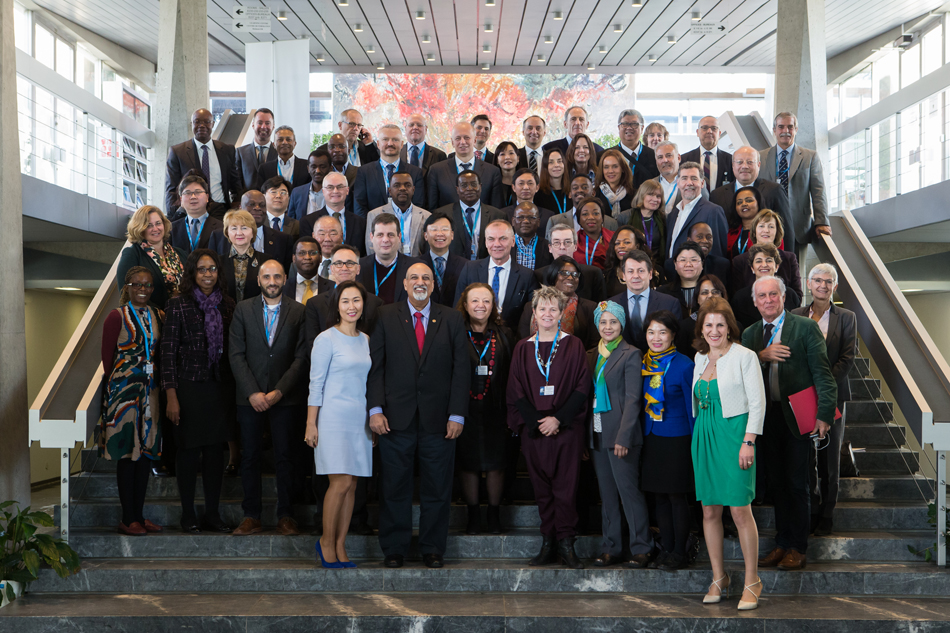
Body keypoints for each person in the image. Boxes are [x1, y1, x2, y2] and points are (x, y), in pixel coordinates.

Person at [369, 262, 470, 569]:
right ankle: (394, 548)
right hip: (394, 420)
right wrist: (375, 409)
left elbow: (461, 369)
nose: (420, 281)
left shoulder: (452, 318)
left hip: (440, 421)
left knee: (437, 488)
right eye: (414, 277)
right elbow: (376, 366)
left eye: (426, 277)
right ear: (405, 284)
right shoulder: (385, 315)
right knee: (394, 487)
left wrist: (457, 414)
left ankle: (433, 548)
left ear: (433, 284)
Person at [743, 276, 837, 572]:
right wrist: (761, 355)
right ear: (754, 302)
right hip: (764, 419)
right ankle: (782, 543)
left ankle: (797, 547)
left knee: (797, 483)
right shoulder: (750, 334)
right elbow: (739, 374)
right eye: (762, 296)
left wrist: (824, 414)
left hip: (798, 418)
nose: (768, 300)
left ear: (784, 298)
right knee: (777, 484)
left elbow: (823, 374)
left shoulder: (805, 327)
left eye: (773, 294)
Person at [507, 286, 592, 569]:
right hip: (535, 430)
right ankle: (548, 543)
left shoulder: (573, 345)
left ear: (561, 313)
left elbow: (582, 387)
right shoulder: (523, 348)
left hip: (566, 428)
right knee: (542, 489)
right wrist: (536, 422)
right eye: (542, 308)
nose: (547, 313)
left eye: (553, 309)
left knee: (566, 488)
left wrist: (558, 419)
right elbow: (516, 390)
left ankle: (566, 543)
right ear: (534, 313)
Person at [692, 297, 765, 609]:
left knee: (739, 510)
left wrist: (749, 441)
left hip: (735, 436)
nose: (714, 330)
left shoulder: (745, 356)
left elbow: (757, 402)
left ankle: (752, 580)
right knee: (709, 510)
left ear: (729, 327)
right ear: (702, 328)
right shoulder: (699, 357)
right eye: (708, 324)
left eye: (720, 324)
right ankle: (718, 577)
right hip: (704, 436)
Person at [230, 260, 308, 536]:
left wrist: (279, 391)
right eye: (266, 277)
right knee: (250, 456)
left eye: (277, 276)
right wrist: (253, 391)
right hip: (249, 398)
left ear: (285, 278)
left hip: (285, 398)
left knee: (285, 456)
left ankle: (286, 515)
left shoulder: (299, 311)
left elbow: (301, 357)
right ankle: (251, 515)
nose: (272, 281)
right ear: (259, 280)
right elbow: (236, 354)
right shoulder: (243, 309)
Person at [161, 249, 235, 534]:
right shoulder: (177, 304)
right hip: (187, 388)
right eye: (202, 269)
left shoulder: (227, 304)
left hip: (219, 387)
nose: (207, 274)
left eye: (212, 269)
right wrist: (171, 395)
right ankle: (188, 513)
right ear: (192, 272)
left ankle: (213, 514)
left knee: (215, 454)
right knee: (189, 452)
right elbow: (167, 353)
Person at [306, 280, 373, 568]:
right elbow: (316, 384)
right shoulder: (326, 339)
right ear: (337, 306)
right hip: (332, 418)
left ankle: (340, 544)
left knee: (352, 485)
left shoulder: (366, 339)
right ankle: (325, 541)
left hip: (360, 419)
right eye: (345, 301)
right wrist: (311, 423)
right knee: (340, 482)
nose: (351, 306)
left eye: (356, 300)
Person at [586, 300, 652, 568]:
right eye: (603, 322)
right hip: (598, 432)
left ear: (622, 324)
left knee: (628, 493)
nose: (608, 327)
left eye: (613, 321)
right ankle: (611, 548)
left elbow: (634, 400)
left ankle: (642, 547)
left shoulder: (631, 354)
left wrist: (624, 437)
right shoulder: (592, 354)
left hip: (621, 436)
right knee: (608, 495)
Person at [792, 264, 857, 536]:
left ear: (835, 286)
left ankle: (827, 515)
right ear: (809, 284)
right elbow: (792, 354)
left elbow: (848, 357)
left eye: (828, 281)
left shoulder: (847, 317)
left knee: (829, 458)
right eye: (817, 280)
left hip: (833, 395)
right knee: (807, 457)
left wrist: (824, 385)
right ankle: (811, 510)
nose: (822, 285)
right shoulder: (795, 315)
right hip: (803, 395)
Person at [100, 266, 163, 535]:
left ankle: (139, 515)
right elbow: (107, 360)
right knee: (127, 453)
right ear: (127, 287)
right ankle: (128, 518)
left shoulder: (158, 314)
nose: (143, 289)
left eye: (148, 285)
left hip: (151, 392)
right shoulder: (116, 316)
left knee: (146, 453)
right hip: (124, 394)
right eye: (137, 284)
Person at [638, 310, 696, 570]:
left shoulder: (684, 364)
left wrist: (695, 443)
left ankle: (680, 552)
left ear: (673, 335)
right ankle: (667, 549)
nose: (656, 338)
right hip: (651, 436)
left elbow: (692, 409)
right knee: (659, 496)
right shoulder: (645, 363)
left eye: (662, 332)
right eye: (651, 332)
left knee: (676, 497)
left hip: (677, 438)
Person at [456, 283, 515, 535]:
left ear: (493, 306)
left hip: (496, 409)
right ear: (465, 305)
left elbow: (512, 372)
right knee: (468, 463)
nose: (480, 305)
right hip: (465, 410)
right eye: (475, 301)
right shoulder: (455, 332)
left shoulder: (504, 334)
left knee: (496, 463)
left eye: (486, 301)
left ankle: (493, 515)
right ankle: (473, 516)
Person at [759, 112, 832, 258]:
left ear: (796, 129)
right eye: (781, 127)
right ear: (774, 130)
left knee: (796, 269)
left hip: (798, 225)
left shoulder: (810, 157)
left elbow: (818, 191)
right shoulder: (760, 156)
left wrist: (821, 221)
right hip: (766, 224)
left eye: (790, 127)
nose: (785, 131)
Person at [454, 219, 538, 326]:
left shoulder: (527, 275)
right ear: (486, 242)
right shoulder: (469, 269)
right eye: (491, 239)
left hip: (511, 334)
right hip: (473, 332)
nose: (497, 244)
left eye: (503, 238)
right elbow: (458, 309)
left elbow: (531, 316)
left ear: (513, 241)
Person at [710, 146, 794, 252]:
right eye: (739, 162)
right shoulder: (717, 195)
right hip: (727, 257)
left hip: (766, 257)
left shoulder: (774, 190)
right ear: (733, 165)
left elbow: (786, 229)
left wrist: (788, 259)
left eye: (750, 162)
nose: (745, 166)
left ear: (758, 165)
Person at [165, 109, 244, 221]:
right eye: (197, 121)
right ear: (191, 124)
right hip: (191, 211)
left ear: (213, 124)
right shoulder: (178, 152)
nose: (202, 125)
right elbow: (171, 189)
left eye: (207, 122)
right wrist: (174, 216)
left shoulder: (227, 150)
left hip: (220, 210)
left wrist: (236, 204)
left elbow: (235, 183)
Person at [305, 244, 383, 348]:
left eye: (350, 263)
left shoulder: (375, 303)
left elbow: (377, 345)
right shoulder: (315, 304)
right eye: (338, 263)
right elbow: (312, 346)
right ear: (332, 269)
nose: (344, 268)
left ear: (358, 269)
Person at [610, 251, 682, 352]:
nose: (636, 276)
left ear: (650, 274)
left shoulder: (670, 303)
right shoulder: (611, 304)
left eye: (641, 271)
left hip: (660, 360)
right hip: (622, 360)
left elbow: (677, 342)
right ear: (624, 275)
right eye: (630, 271)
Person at [520, 256, 598, 348]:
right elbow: (522, 341)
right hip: (534, 355)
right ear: (553, 275)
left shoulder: (590, 308)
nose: (570, 277)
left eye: (575, 274)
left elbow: (594, 345)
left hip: (576, 356)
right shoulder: (531, 307)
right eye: (565, 273)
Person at [118, 205, 186, 311]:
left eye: (158, 223)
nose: (155, 229)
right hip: (152, 317)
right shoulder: (133, 254)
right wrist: (158, 314)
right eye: (149, 225)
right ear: (140, 228)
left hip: (184, 316)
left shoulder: (180, 253)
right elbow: (127, 292)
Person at [209, 190, 293, 273]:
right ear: (240, 207)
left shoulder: (283, 240)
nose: (257, 208)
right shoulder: (218, 236)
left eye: (262, 205)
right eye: (251, 204)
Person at [354, 124, 426, 217]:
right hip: (373, 225)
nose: (390, 143)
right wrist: (375, 225)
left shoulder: (415, 173)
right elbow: (359, 207)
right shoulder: (364, 172)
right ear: (378, 144)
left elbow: (418, 206)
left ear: (401, 144)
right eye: (385, 139)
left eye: (395, 140)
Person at [427, 122, 503, 208]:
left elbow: (496, 210)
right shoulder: (436, 171)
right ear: (452, 142)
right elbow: (432, 208)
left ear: (475, 140)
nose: (462, 142)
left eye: (467, 138)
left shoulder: (492, 172)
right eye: (458, 138)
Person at [665, 163, 729, 261]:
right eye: (684, 178)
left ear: (702, 183)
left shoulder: (713, 211)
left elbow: (718, 252)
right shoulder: (672, 214)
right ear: (678, 183)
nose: (689, 183)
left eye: (694, 178)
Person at [730, 243, 802, 329]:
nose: (764, 265)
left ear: (777, 267)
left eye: (769, 260)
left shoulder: (790, 295)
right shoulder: (740, 298)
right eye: (758, 261)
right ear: (752, 268)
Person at [730, 209, 802, 296]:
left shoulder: (789, 258)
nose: (766, 230)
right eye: (761, 226)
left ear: (777, 231)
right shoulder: (739, 261)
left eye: (771, 227)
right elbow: (736, 296)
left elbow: (797, 295)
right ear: (754, 231)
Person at [357, 213, 423, 304]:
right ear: (371, 237)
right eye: (380, 235)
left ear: (399, 237)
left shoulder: (415, 267)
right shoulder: (358, 267)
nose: (385, 240)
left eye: (390, 235)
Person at [440, 170, 506, 261]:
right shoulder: (443, 214)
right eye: (464, 185)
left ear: (480, 187)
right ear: (457, 189)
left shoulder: (497, 215)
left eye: (474, 184)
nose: (469, 188)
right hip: (454, 267)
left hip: (486, 266)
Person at [300, 172, 366, 257]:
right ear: (323, 191)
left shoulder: (361, 223)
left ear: (347, 190)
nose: (335, 191)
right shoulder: (308, 221)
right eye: (330, 187)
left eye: (340, 187)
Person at [365, 172, 430, 257]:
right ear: (389, 191)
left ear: (413, 189)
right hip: (386, 263)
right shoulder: (374, 214)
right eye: (397, 185)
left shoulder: (426, 216)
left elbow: (429, 247)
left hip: (418, 263)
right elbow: (371, 247)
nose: (402, 188)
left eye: (407, 185)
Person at [537, 224, 608, 302]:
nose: (562, 247)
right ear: (550, 248)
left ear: (575, 246)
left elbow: (602, 306)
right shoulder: (539, 275)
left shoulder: (593, 273)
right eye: (557, 242)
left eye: (567, 242)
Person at [218, 209, 273, 302]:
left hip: (256, 310)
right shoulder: (218, 261)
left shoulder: (266, 261)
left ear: (253, 232)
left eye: (244, 228)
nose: (239, 233)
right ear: (227, 232)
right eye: (234, 228)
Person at [546, 173, 620, 238]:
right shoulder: (554, 221)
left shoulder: (611, 223)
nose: (580, 190)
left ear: (593, 193)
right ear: (570, 194)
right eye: (575, 188)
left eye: (584, 187)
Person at [170, 172, 224, 254]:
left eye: (198, 192)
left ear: (207, 197)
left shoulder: (221, 228)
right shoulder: (172, 229)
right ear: (181, 199)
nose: (193, 197)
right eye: (187, 193)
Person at [617, 179, 666, 268]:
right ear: (642, 195)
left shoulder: (663, 219)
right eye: (651, 194)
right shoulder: (624, 217)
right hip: (631, 265)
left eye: (658, 196)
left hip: (657, 266)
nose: (655, 199)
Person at [422, 214, 468, 307]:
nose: (439, 233)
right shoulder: (416, 264)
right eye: (434, 229)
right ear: (425, 236)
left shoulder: (465, 265)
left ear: (452, 235)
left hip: (455, 313)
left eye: (444, 229)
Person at [675, 274, 727, 356]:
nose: (710, 296)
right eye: (704, 293)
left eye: (715, 292)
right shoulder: (685, 327)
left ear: (722, 296)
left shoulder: (733, 324)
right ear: (697, 299)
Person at [680, 116, 735, 192]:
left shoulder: (730, 160)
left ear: (719, 133)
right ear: (697, 132)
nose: (709, 131)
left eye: (714, 128)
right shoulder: (684, 160)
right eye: (704, 128)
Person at [612, 109, 659, 190]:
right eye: (625, 124)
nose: (629, 128)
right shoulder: (606, 155)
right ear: (619, 127)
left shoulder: (654, 156)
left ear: (642, 128)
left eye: (634, 124)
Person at [255, 125, 309, 190]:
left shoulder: (307, 166)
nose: (284, 142)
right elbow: (261, 192)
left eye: (288, 139)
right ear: (274, 145)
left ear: (294, 143)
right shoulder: (264, 169)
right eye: (280, 140)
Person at [658, 241, 705, 316]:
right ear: (675, 264)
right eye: (683, 260)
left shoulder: (711, 292)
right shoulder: (662, 293)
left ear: (702, 264)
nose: (688, 264)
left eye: (694, 260)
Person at [236, 108, 277, 191]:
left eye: (267, 123)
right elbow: (236, 182)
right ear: (253, 125)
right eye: (260, 123)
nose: (263, 126)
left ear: (273, 126)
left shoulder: (279, 153)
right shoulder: (240, 152)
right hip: (247, 198)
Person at [284, 236, 333, 303]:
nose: (307, 257)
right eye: (302, 253)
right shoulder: (284, 287)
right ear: (294, 258)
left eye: (312, 253)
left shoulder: (332, 287)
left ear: (320, 258)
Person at [288, 149, 333, 220]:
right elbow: (291, 222)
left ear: (330, 168)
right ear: (308, 169)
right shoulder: (297, 193)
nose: (317, 171)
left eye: (322, 167)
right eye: (313, 167)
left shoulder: (337, 192)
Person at [572, 197, 613, 270]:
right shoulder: (572, 241)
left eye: (596, 213)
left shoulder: (615, 238)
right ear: (579, 220)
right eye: (585, 214)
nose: (591, 217)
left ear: (602, 218)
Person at [511, 202, 553, 271]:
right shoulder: (505, 245)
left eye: (531, 218)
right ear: (513, 221)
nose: (526, 221)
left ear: (538, 222)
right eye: (520, 217)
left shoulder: (548, 247)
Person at [603, 226, 643, 297]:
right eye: (617, 243)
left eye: (627, 242)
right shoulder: (607, 274)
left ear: (637, 246)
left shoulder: (653, 271)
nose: (621, 246)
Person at [595, 149, 636, 217]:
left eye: (615, 166)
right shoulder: (595, 194)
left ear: (623, 168)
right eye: (606, 167)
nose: (610, 171)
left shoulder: (634, 194)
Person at [726, 186, 763, 259]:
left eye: (749, 201)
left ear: (758, 203)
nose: (744, 204)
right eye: (739, 202)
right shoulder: (731, 232)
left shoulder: (768, 230)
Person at [534, 148, 570, 217]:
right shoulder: (538, 194)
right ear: (545, 167)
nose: (556, 165)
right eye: (551, 162)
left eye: (559, 161)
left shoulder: (571, 191)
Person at [495, 140, 521, 206]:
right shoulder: (492, 182)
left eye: (511, 153)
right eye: (502, 154)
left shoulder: (524, 182)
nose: (507, 157)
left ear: (518, 158)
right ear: (497, 160)